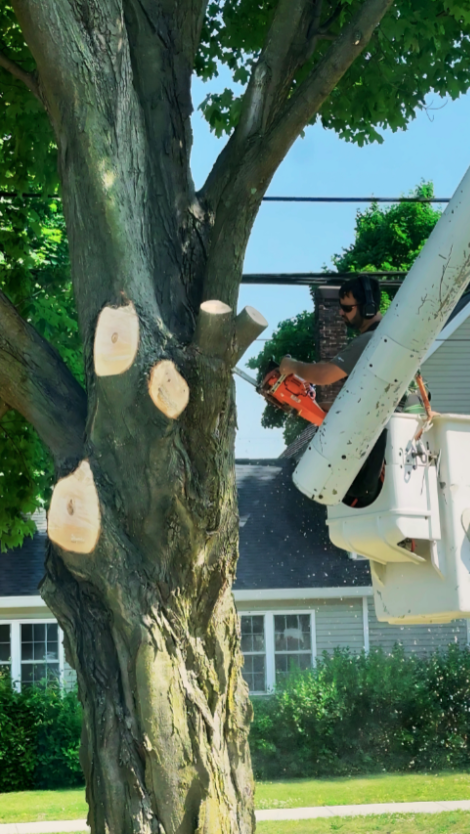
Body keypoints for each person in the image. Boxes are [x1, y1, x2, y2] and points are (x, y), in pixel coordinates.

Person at [280, 275, 385, 506]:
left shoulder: (372, 340)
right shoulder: (388, 336)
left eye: (347, 308)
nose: (341, 314)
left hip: (373, 460)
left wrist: (293, 367)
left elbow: (325, 375)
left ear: (368, 307)